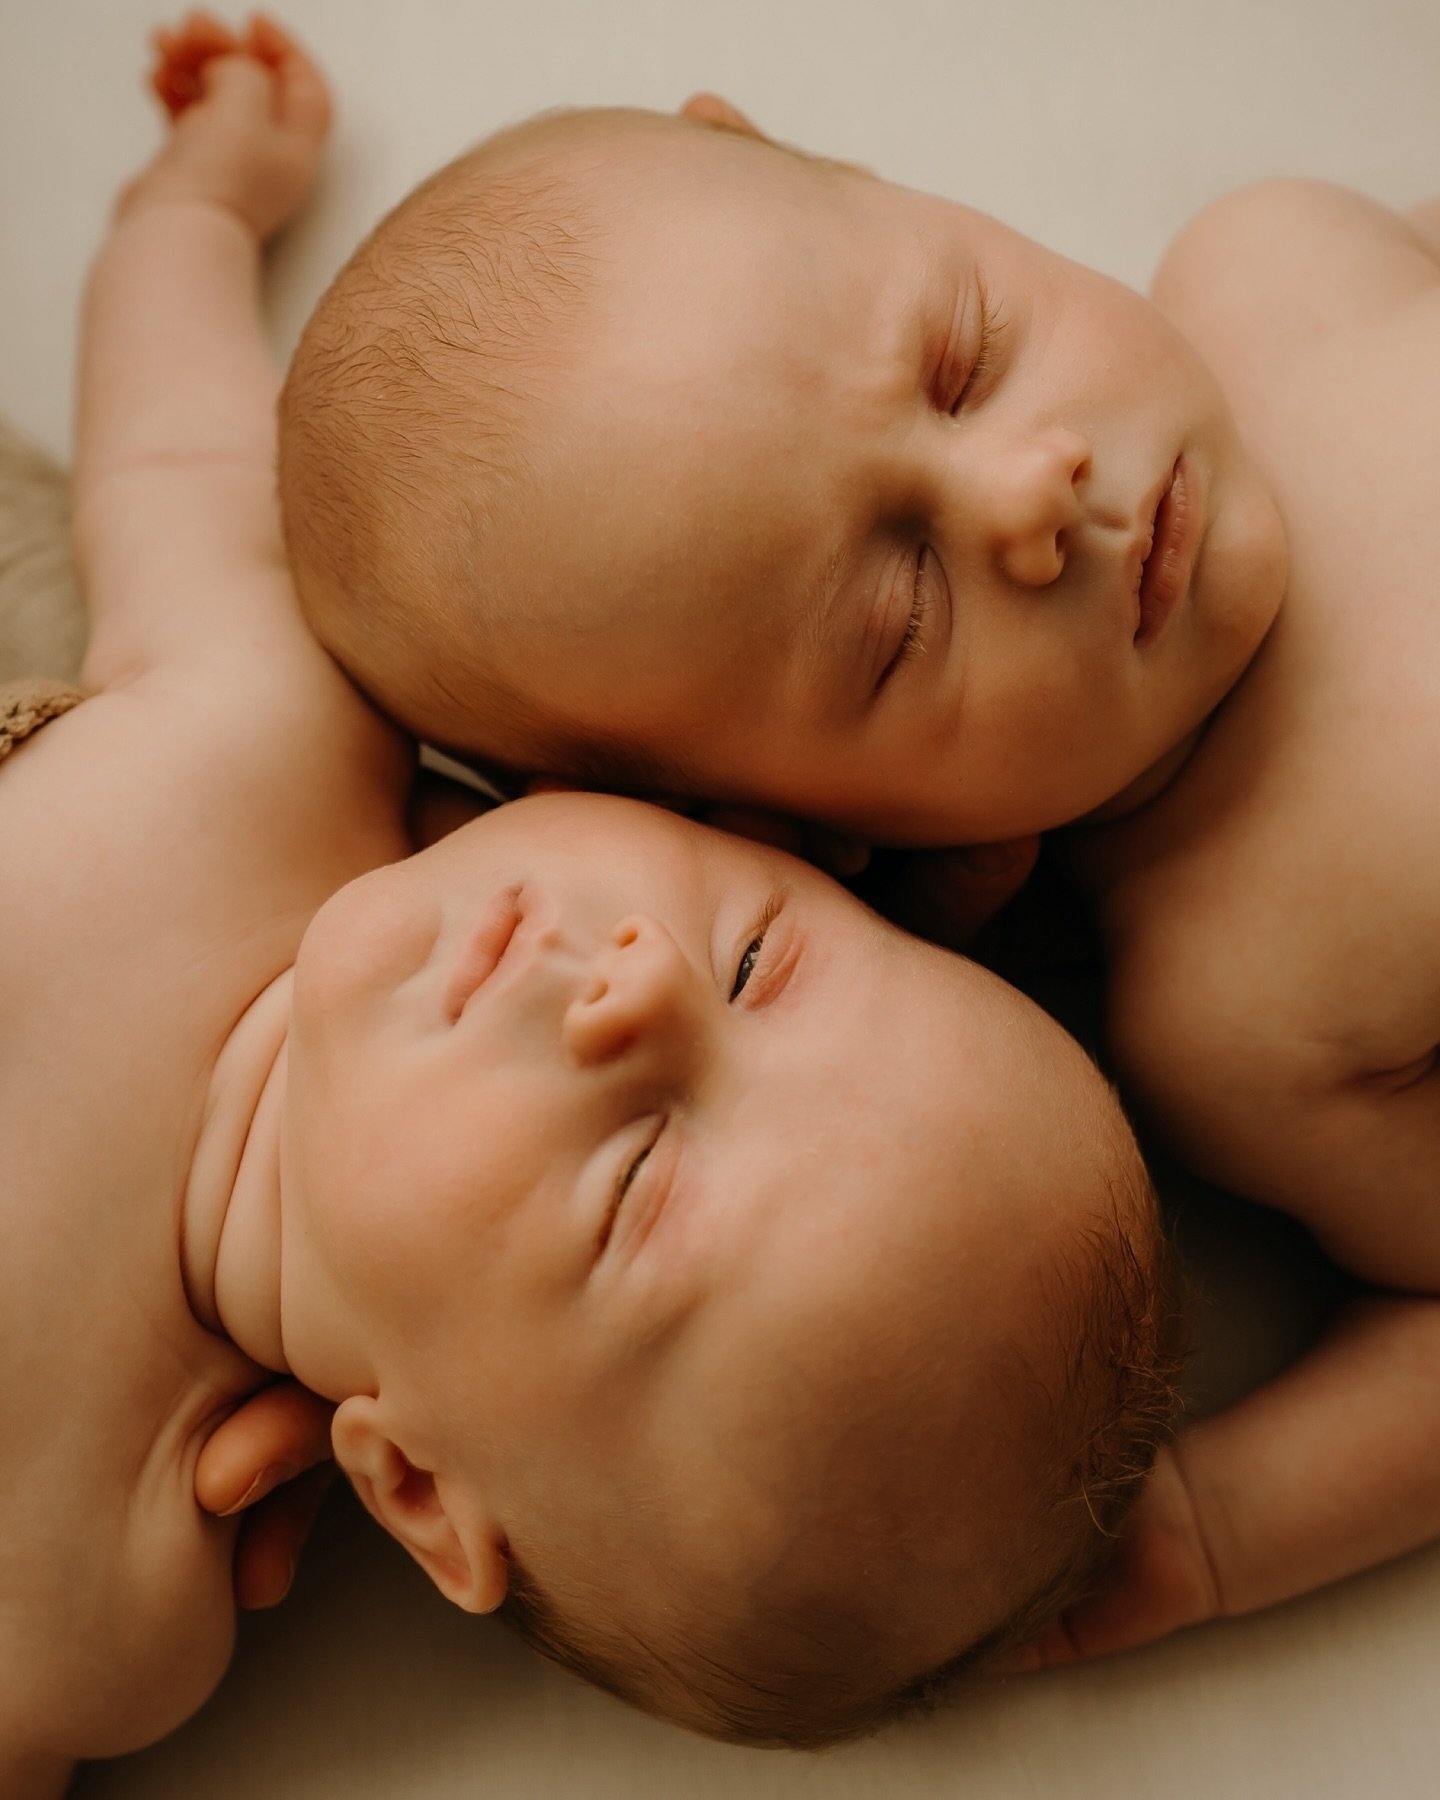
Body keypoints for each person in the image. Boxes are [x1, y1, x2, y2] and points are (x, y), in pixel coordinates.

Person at [0, 19, 1178, 1793]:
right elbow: (167, 468)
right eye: (760, 957)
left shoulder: (94, 1611)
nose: (638, 990)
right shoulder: (278, 736)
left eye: (636, 1178)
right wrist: (192, 216)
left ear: (410, 1483)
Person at [278, 93, 1440, 1666]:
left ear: (848, 170)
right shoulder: (1247, 1011)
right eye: (899, 618)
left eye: (966, 353)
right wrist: (1223, 1530)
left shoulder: (1270, 259)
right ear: (786, 831)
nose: (1031, 493)